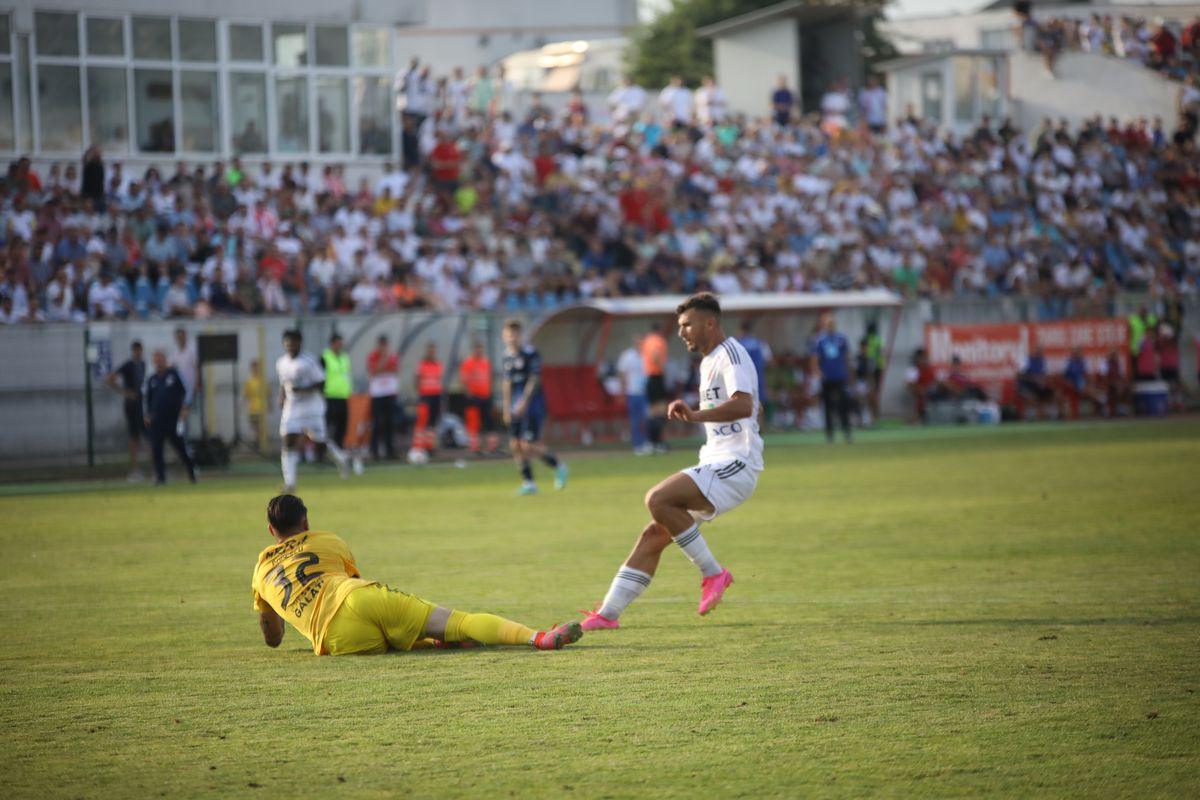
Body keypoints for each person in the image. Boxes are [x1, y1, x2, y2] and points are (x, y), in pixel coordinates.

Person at [580, 293, 760, 631]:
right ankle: (608, 614)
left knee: (658, 499)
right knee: (655, 531)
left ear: (710, 323)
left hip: (737, 463)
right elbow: (752, 407)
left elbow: (744, 406)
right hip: (717, 459)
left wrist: (693, 415)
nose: (681, 332)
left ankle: (714, 573)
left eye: (686, 325)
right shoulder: (710, 360)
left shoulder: (730, 355)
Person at [252, 494, 583, 655]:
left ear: (271, 530)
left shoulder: (261, 569)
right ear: (306, 523)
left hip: (334, 639)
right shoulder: (326, 539)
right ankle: (538, 638)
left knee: (401, 645)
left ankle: (440, 641)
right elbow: (353, 584)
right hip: (355, 596)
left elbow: (273, 638)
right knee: (458, 621)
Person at [276, 329, 351, 492]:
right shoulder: (281, 363)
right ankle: (290, 483)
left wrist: (304, 390)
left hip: (312, 407)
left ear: (300, 343)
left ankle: (341, 458)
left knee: (319, 443)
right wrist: (281, 397)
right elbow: (283, 383)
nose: (290, 346)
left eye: (293, 342)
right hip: (293, 408)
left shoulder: (309, 361)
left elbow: (321, 383)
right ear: (284, 344)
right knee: (288, 440)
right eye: (287, 343)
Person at [501, 319, 567, 495]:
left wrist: (524, 401)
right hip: (515, 406)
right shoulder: (507, 356)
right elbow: (506, 383)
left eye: (514, 334)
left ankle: (558, 466)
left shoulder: (530, 353)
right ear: (504, 336)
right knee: (515, 445)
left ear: (520, 335)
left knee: (528, 445)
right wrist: (506, 408)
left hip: (532, 405)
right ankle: (529, 482)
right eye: (508, 334)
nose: (511, 338)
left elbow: (535, 379)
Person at [143, 349, 196, 486]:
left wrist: (185, 406)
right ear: (153, 362)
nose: (159, 362)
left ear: (165, 360)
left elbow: (188, 390)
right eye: (156, 360)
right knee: (157, 449)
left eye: (160, 359)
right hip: (156, 421)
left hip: (173, 420)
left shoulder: (174, 374)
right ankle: (161, 478)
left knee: (181, 448)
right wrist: (147, 415)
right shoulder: (152, 379)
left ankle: (192, 473)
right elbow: (147, 400)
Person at [105, 340, 147, 481]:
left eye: (139, 350)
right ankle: (133, 470)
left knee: (148, 435)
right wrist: (125, 392)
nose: (138, 353)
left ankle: (154, 469)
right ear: (132, 351)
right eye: (135, 350)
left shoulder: (143, 364)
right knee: (134, 436)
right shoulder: (128, 365)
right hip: (132, 404)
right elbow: (110, 378)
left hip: (142, 403)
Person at [321, 333, 362, 474]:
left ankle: (340, 458)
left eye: (341, 343)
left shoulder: (344, 357)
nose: (340, 346)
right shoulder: (325, 358)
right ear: (332, 344)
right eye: (338, 343)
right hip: (329, 398)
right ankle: (322, 456)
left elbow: (346, 375)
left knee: (341, 430)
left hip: (343, 398)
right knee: (325, 429)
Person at [810, 312, 852, 443]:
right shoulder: (820, 340)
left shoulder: (841, 339)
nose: (830, 326)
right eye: (828, 324)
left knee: (843, 405)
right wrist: (818, 372)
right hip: (827, 378)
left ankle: (846, 432)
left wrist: (849, 372)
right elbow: (815, 358)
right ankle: (830, 434)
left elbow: (847, 357)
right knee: (827, 407)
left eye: (832, 323)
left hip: (840, 376)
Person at [459, 340, 498, 456]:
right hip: (473, 398)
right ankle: (474, 448)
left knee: (490, 422)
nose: (479, 351)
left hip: (485, 397)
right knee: (473, 423)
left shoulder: (486, 363)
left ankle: (492, 447)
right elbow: (463, 380)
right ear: (473, 350)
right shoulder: (468, 363)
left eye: (481, 349)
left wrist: (490, 392)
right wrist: (468, 394)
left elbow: (489, 379)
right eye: (477, 349)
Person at [366, 336, 399, 460]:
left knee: (390, 423)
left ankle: (390, 450)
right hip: (377, 394)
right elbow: (374, 371)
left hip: (389, 393)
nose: (383, 348)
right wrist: (384, 359)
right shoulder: (373, 356)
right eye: (381, 345)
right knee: (376, 423)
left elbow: (394, 370)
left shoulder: (393, 356)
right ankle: (374, 450)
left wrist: (384, 367)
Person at [616, 333, 649, 455]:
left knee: (646, 419)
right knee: (635, 420)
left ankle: (646, 442)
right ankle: (637, 444)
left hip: (645, 392)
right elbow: (622, 374)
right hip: (632, 392)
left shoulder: (647, 355)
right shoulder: (627, 356)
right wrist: (622, 392)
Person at [641, 321, 670, 453]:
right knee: (660, 410)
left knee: (652, 412)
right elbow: (656, 355)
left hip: (649, 377)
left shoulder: (646, 341)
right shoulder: (658, 340)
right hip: (656, 376)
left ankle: (651, 442)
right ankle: (658, 442)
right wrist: (661, 367)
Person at [736, 320, 772, 422]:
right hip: (758, 378)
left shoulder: (738, 344)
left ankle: (746, 429)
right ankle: (760, 428)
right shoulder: (760, 343)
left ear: (741, 331)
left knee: (743, 404)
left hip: (742, 379)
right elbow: (769, 360)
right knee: (759, 403)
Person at [413, 342, 444, 453]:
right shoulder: (422, 364)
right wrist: (419, 392)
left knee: (432, 422)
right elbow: (416, 379)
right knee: (422, 421)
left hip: (435, 395)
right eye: (430, 350)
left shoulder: (438, 364)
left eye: (433, 350)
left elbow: (439, 380)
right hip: (425, 396)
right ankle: (418, 446)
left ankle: (429, 446)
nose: (432, 353)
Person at [1018, 345, 1056, 419]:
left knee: (1052, 393)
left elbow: (1046, 375)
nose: (1039, 353)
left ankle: (1052, 415)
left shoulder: (1043, 361)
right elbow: (1019, 375)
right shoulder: (1026, 360)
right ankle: (1030, 416)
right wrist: (1033, 378)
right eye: (1037, 351)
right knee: (1031, 397)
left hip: (1037, 386)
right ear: (1033, 351)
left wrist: (1044, 380)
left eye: (1040, 351)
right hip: (1025, 386)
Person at [243, 358, 268, 449]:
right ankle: (258, 439)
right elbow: (246, 394)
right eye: (253, 368)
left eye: (256, 367)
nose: (255, 369)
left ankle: (258, 442)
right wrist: (242, 405)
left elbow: (268, 393)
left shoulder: (262, 380)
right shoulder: (249, 381)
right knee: (254, 426)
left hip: (260, 406)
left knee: (258, 425)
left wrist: (269, 404)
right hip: (252, 407)